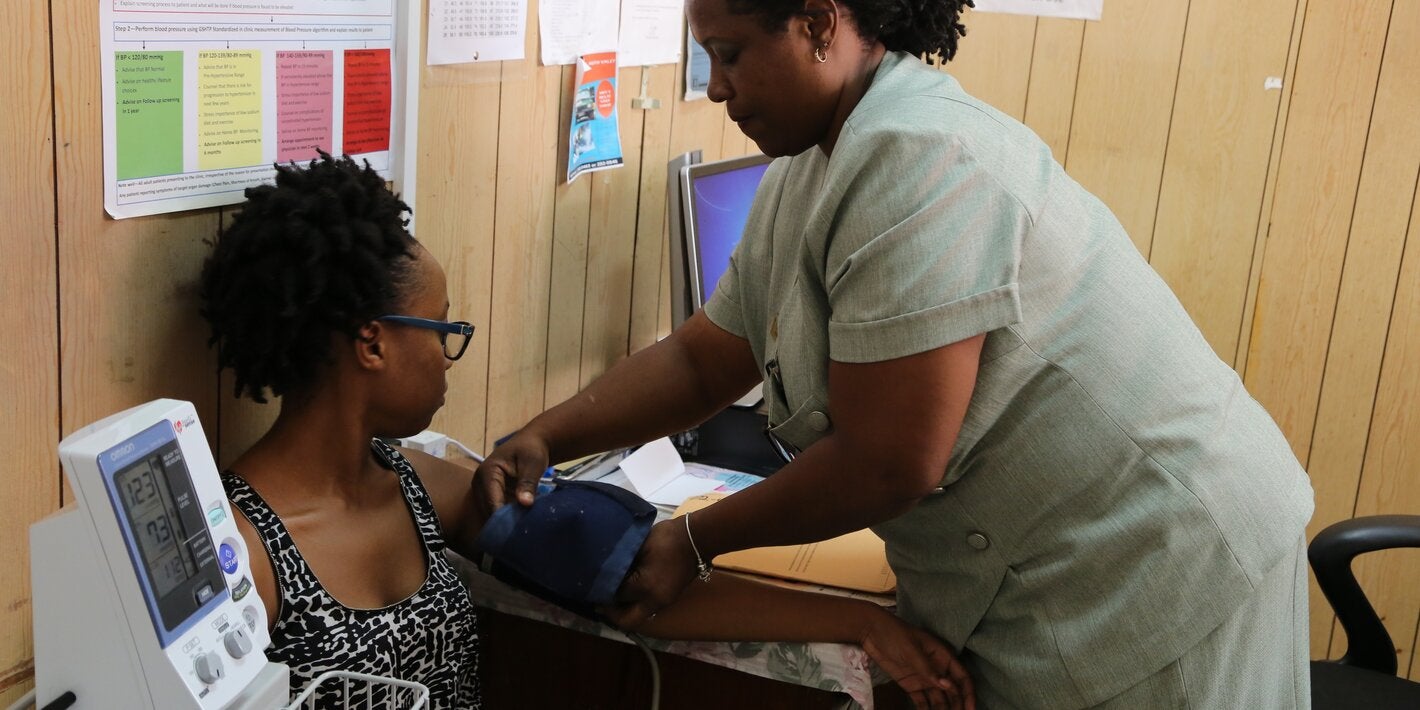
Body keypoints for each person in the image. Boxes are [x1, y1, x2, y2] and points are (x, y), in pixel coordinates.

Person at [475, 1, 1317, 708]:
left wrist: (692, 543)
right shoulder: (810, 169)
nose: (719, 87)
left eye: (729, 55)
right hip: (1046, 560)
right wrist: (546, 436)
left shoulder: (921, 155)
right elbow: (704, 360)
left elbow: (889, 462)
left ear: (817, 24)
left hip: (1160, 561)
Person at [199, 152, 975, 710]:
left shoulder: (419, 485)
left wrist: (863, 623)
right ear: (371, 343)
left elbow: (634, 579)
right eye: (439, 329)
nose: (448, 356)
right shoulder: (241, 552)